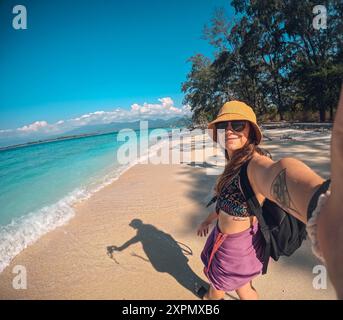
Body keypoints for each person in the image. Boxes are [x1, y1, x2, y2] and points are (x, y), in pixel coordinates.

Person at [197, 96, 338, 300]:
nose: (228, 130)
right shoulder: (233, 164)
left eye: (237, 124)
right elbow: (224, 206)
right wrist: (207, 221)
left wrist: (326, 207)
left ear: (251, 132)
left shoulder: (254, 164)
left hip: (234, 251)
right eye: (222, 126)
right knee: (244, 287)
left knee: (217, 287)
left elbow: (278, 172)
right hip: (235, 243)